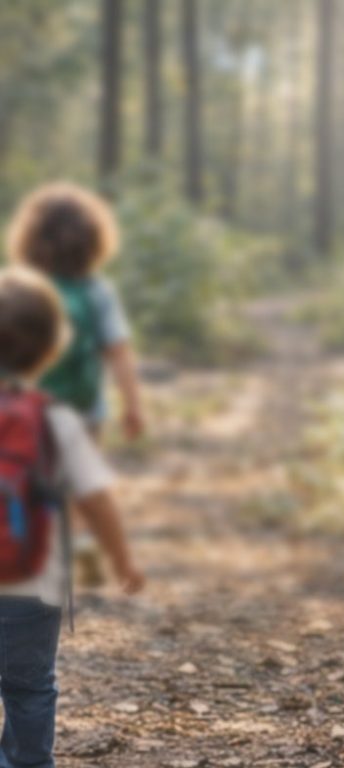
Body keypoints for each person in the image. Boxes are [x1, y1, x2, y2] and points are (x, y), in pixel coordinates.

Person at [0, 266, 144, 768]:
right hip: (33, 583)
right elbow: (97, 498)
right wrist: (122, 560)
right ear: (49, 349)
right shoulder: (55, 418)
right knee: (29, 687)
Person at [5, 181, 144, 440]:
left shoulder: (15, 286)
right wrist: (133, 407)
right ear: (95, 238)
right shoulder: (97, 291)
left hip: (17, 411)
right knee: (81, 477)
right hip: (81, 414)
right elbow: (119, 351)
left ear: (27, 235)